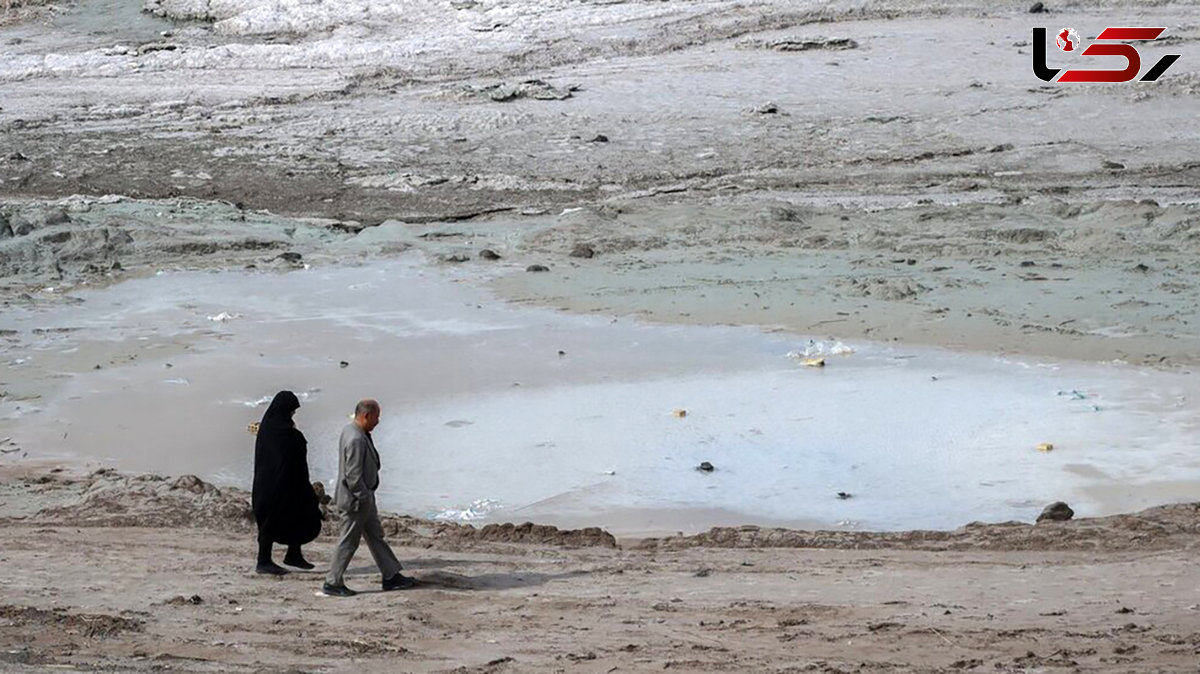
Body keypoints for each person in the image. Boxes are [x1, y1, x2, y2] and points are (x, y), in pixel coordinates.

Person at [322, 399, 417, 596]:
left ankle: (391, 575)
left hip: (363, 497)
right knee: (349, 540)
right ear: (366, 416)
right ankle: (332, 582)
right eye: (376, 417)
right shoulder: (355, 438)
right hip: (356, 500)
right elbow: (353, 475)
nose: (378, 421)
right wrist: (364, 497)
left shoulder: (352, 431)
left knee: (375, 536)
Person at [251, 390, 323, 575]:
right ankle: (263, 561)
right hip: (274, 487)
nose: (292, 415)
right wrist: (296, 436)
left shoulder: (268, 428)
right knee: (270, 522)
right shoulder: (281, 432)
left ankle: (294, 554)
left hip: (281, 484)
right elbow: (291, 453)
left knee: (297, 516)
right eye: (291, 411)